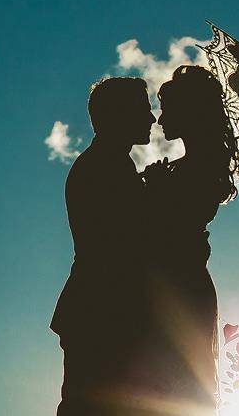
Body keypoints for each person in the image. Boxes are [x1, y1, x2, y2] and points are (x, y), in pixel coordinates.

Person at [53, 77, 156, 416]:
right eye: (144, 110)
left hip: (96, 308)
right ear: (119, 115)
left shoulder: (110, 164)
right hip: (101, 310)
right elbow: (127, 241)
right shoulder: (105, 167)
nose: (153, 119)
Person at [139, 65, 236, 415]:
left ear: (190, 112)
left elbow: (174, 227)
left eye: (168, 108)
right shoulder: (187, 165)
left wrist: (157, 190)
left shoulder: (204, 167)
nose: (160, 118)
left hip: (181, 286)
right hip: (166, 286)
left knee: (175, 387)